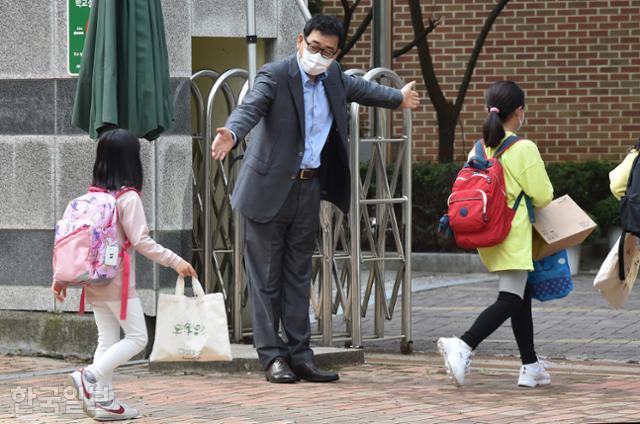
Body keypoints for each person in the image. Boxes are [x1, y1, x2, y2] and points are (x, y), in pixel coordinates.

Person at [210, 14, 420, 384]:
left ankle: (301, 355)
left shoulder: (334, 77)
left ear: (336, 55)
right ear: (299, 41)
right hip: (266, 191)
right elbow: (252, 106)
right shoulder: (275, 75)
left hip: (308, 188)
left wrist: (397, 99)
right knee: (265, 279)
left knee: (298, 275)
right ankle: (272, 357)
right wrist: (232, 131)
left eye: (328, 52)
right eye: (314, 47)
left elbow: (361, 89)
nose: (319, 56)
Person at [51, 129, 197, 421]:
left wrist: (60, 279)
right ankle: (89, 376)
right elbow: (142, 242)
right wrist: (176, 261)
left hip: (93, 283)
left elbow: (71, 243)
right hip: (117, 282)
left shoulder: (92, 197)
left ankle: (103, 403)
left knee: (107, 340)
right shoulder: (128, 198)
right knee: (138, 337)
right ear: (132, 160)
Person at [437, 81, 554, 388]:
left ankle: (531, 366)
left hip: (487, 233)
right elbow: (543, 196)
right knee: (510, 299)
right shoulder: (522, 148)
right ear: (519, 112)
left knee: (521, 297)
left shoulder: (480, 147)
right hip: (512, 235)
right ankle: (463, 344)